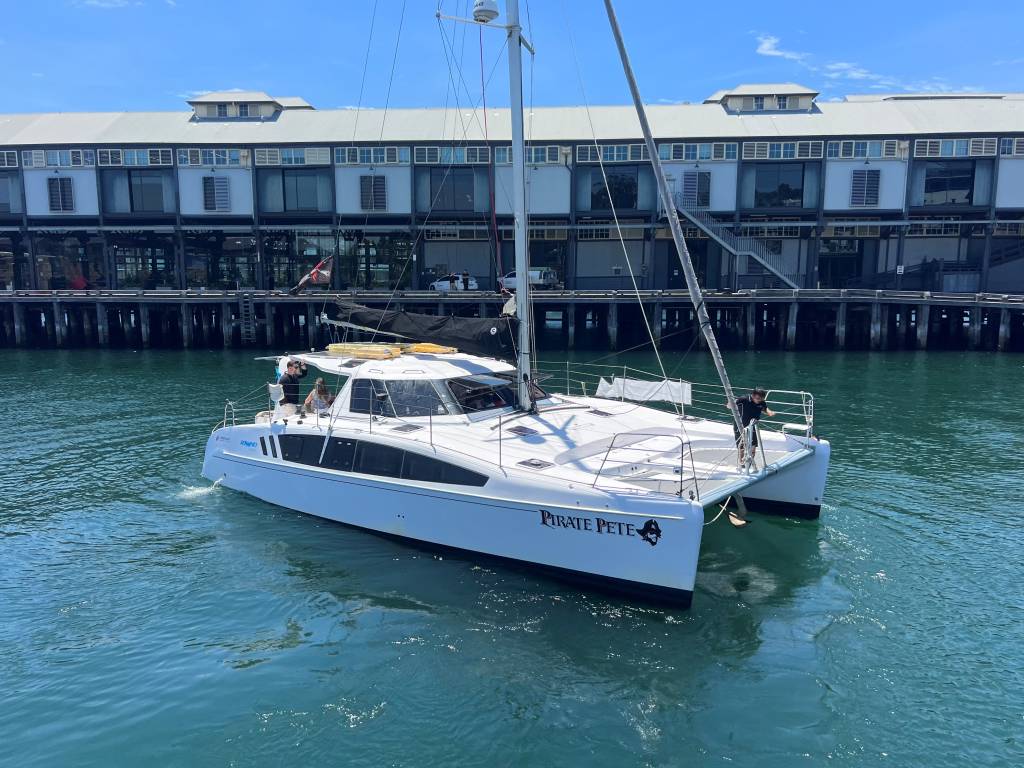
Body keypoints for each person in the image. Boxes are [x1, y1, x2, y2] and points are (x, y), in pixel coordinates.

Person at [729, 387, 775, 465]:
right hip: (741, 426)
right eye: (758, 398)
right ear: (753, 395)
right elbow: (730, 405)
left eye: (761, 399)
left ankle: (750, 464)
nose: (759, 400)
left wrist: (769, 412)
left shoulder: (761, 402)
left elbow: (764, 408)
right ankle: (742, 464)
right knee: (742, 447)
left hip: (753, 427)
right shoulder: (744, 399)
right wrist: (730, 404)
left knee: (753, 448)